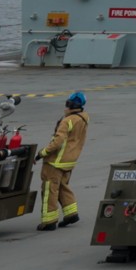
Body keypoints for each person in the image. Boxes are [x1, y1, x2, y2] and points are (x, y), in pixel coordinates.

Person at [37, 92, 89, 231]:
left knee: (49, 190)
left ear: (71, 105)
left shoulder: (67, 121)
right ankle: (71, 213)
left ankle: (49, 221)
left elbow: (58, 142)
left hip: (56, 161)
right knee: (62, 186)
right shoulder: (83, 118)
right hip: (69, 160)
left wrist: (42, 153)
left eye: (67, 104)